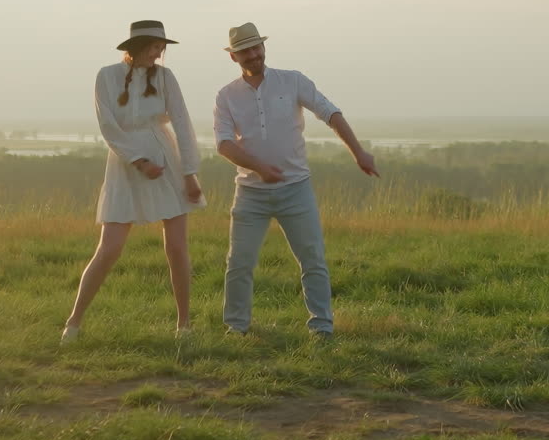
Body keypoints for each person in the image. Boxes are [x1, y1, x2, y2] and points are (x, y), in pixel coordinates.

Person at [213, 22, 379, 337]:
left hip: (295, 189)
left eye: (255, 47)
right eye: (244, 51)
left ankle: (322, 328)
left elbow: (330, 113)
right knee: (239, 263)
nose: (252, 54)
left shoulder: (292, 81)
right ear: (233, 57)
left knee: (312, 259)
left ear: (263, 47)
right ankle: (236, 328)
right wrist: (260, 167)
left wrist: (359, 153)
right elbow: (224, 144)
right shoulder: (226, 96)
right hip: (250, 193)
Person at [61, 19, 204, 344]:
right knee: (109, 248)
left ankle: (184, 325)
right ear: (138, 47)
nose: (159, 53)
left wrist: (189, 173)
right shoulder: (107, 76)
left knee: (177, 247)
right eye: (155, 47)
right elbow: (108, 125)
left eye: (161, 48)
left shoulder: (165, 77)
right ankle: (73, 323)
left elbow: (181, 122)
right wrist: (138, 160)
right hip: (125, 163)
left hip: (166, 159)